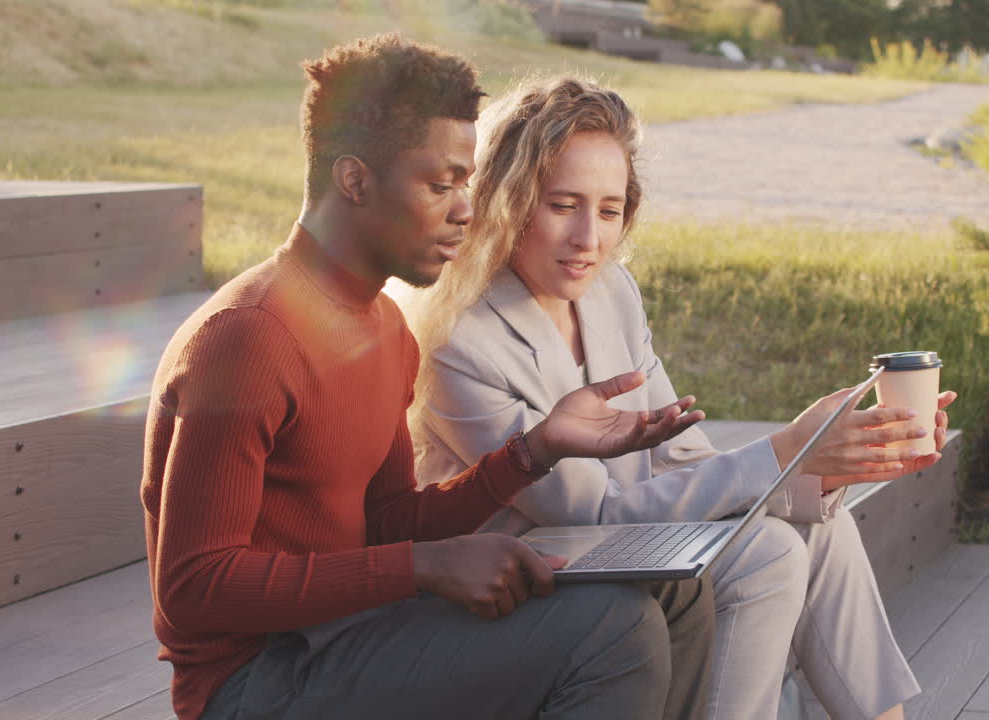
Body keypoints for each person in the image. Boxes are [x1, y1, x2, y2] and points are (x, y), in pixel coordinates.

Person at [141, 37, 719, 720]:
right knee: (613, 632)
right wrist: (423, 567)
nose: (467, 211)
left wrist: (534, 452)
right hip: (256, 678)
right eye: (440, 185)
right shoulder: (247, 338)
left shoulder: (383, 327)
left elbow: (385, 524)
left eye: (466, 185)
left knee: (675, 592)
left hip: (356, 626)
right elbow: (195, 586)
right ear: (354, 181)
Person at [403, 75, 958, 720]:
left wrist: (821, 464)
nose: (590, 238)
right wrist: (785, 451)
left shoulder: (611, 294)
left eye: (610, 211)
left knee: (818, 525)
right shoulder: (459, 335)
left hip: (619, 538)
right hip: (532, 569)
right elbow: (591, 515)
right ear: (509, 201)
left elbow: (681, 459)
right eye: (563, 205)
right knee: (769, 551)